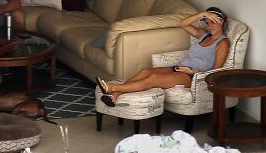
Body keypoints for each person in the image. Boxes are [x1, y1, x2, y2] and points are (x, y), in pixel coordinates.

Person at [97, 7, 230, 107]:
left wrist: (193, 72)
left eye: (212, 22)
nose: (209, 26)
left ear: (221, 21)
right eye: (207, 22)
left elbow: (216, 72)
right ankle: (115, 96)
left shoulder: (222, 43)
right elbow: (183, 24)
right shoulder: (203, 34)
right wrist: (203, 14)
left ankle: (113, 88)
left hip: (191, 76)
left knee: (153, 79)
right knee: (145, 72)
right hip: (179, 68)